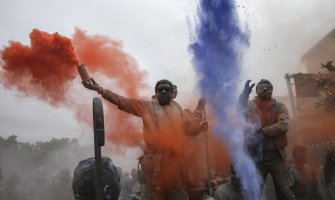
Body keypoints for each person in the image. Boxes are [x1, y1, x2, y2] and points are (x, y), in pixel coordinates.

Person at [82, 69, 208, 200]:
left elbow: (189, 129)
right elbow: (123, 102)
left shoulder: (178, 109)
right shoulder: (147, 106)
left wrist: (199, 112)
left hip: (175, 166)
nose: (163, 92)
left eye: (166, 89)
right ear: (156, 93)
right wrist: (101, 90)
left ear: (172, 93)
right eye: (160, 90)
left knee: (179, 196)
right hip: (156, 167)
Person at [238, 79, 295, 200]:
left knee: (284, 191)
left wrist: (263, 131)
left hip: (276, 157)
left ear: (272, 90)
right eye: (262, 87)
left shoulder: (279, 106)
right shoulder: (250, 106)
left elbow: (284, 125)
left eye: (267, 87)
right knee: (254, 193)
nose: (264, 90)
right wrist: (244, 94)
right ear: (257, 90)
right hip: (256, 159)